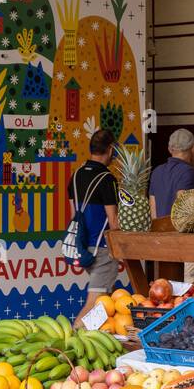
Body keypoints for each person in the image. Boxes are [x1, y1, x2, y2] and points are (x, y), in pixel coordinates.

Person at [69, 128, 120, 306]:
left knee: (108, 301)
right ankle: (78, 324)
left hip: (83, 246)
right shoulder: (107, 179)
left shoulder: (75, 176)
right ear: (111, 150)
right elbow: (113, 222)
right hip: (102, 249)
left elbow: (74, 215)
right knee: (95, 305)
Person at [148, 128, 194, 219]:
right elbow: (182, 208)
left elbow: (153, 212)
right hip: (176, 227)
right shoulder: (187, 171)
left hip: (159, 227)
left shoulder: (157, 171)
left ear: (170, 149)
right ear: (193, 149)